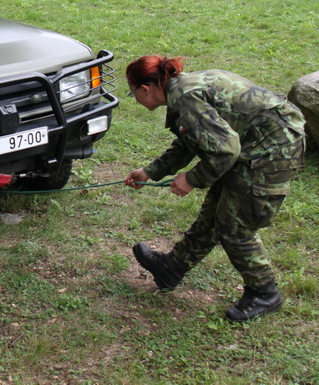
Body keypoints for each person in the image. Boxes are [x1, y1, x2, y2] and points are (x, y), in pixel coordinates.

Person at [124, 55, 305, 322]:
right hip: (253, 145)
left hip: (273, 151)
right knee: (217, 209)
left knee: (235, 226)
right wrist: (151, 172)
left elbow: (225, 149)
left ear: (145, 89)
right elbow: (191, 141)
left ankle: (265, 292)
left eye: (132, 93)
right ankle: (172, 267)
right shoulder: (181, 89)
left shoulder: (186, 99)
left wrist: (192, 178)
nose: (135, 99)